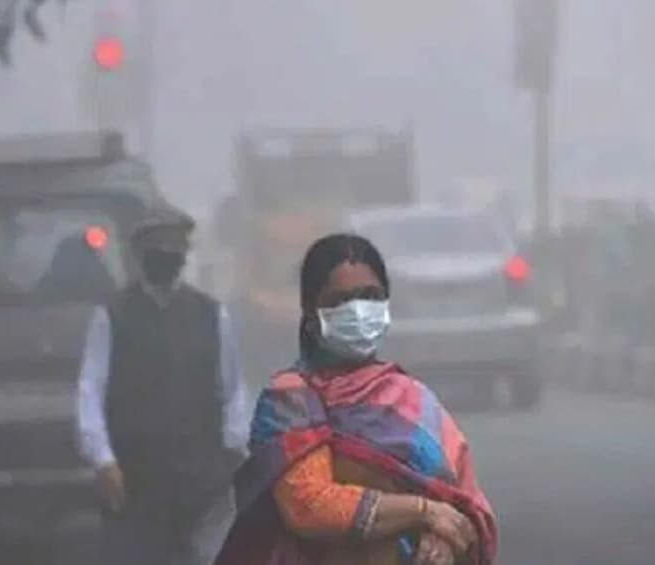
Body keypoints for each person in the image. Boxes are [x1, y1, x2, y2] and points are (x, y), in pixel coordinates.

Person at [214, 233, 498, 565]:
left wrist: (444, 541)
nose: (358, 311)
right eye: (339, 300)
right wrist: (423, 511)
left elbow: (465, 506)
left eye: (370, 296)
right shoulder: (290, 399)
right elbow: (309, 505)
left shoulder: (415, 400)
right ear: (310, 312)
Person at [75, 205, 251, 564]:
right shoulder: (112, 315)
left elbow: (232, 389)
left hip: (200, 476)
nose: (167, 259)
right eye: (158, 251)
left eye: (174, 252)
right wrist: (103, 460)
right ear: (140, 256)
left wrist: (232, 455)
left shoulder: (210, 314)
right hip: (134, 476)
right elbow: (90, 390)